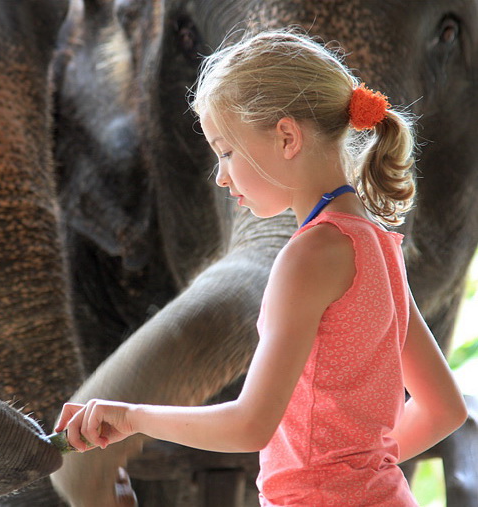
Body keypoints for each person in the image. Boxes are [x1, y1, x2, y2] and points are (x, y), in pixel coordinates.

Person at [55, 29, 468, 506]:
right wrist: (360, 469)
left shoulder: (309, 255)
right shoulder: (378, 244)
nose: (221, 174)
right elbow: (443, 408)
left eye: (226, 151)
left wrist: (131, 418)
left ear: (287, 137)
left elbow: (251, 424)